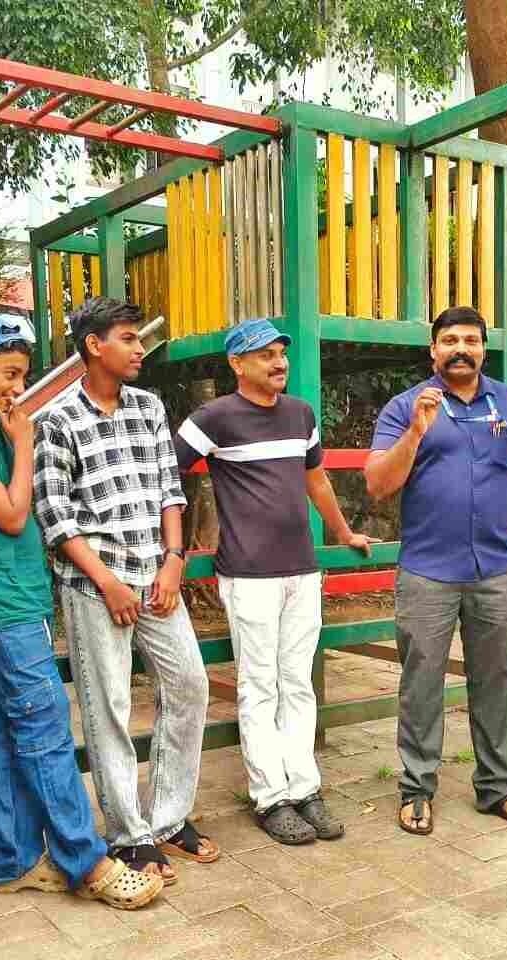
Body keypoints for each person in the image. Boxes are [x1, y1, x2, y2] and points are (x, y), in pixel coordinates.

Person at [0, 314, 162, 910]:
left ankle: (12, 861)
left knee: (10, 729)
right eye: (8, 374)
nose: (17, 387)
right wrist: (25, 444)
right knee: (46, 726)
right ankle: (87, 862)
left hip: (20, 595)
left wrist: (15, 440)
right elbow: (12, 515)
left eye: (22, 375)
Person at [33, 297, 217, 884]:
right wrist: (108, 582)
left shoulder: (148, 406)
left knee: (189, 684)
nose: (140, 349)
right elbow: (55, 517)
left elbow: (170, 490)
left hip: (156, 577)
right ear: (94, 345)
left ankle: (167, 817)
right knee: (107, 706)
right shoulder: (58, 420)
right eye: (129, 338)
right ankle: (128, 834)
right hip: (95, 586)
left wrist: (174, 561)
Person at [173, 319, 373, 845]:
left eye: (281, 352)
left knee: (298, 683)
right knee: (259, 687)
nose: (279, 362)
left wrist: (343, 532)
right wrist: (171, 544)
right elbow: (168, 474)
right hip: (248, 575)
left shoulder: (300, 413)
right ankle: (270, 798)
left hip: (301, 571)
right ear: (237, 364)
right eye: (265, 354)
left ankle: (305, 789)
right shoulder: (213, 418)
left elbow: (316, 479)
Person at [364, 305, 507, 836]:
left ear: (483, 349)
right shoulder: (406, 407)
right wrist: (416, 432)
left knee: (495, 682)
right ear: (433, 350)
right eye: (450, 341)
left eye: (470, 340)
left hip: (498, 571)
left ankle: (498, 789)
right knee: (421, 684)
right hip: (427, 572)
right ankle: (416, 790)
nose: (461, 349)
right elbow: (378, 484)